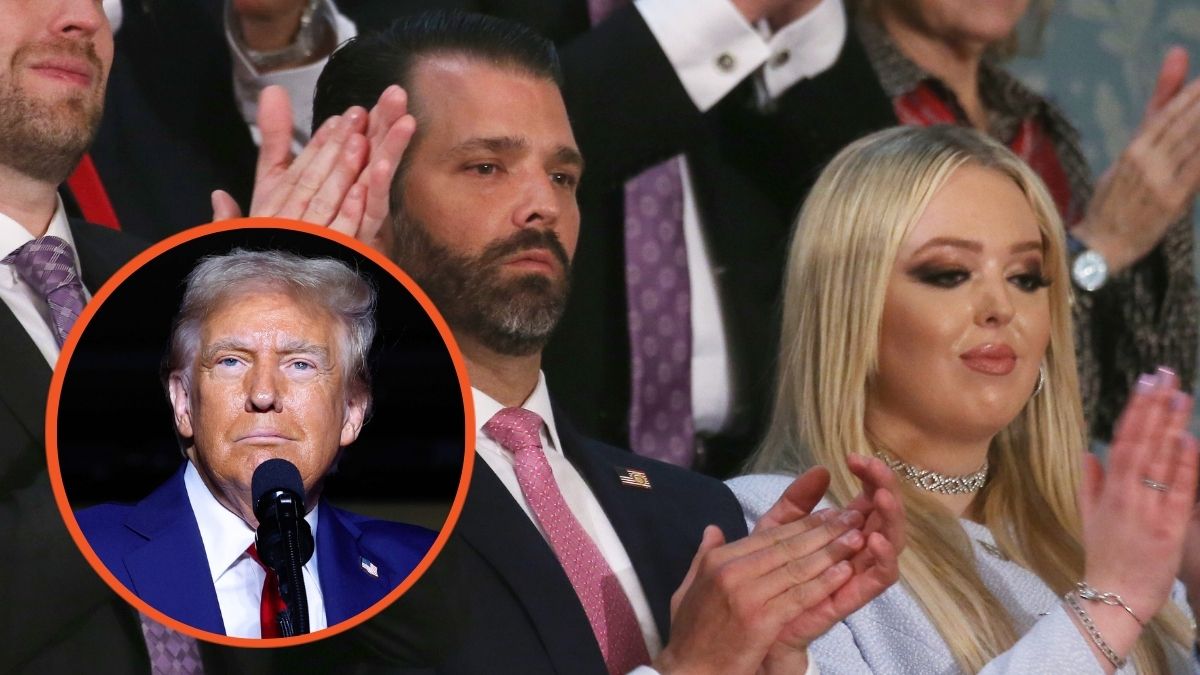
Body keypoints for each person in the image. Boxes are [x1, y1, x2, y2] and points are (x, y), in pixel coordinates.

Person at [311, 11, 906, 674]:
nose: (542, 202)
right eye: (486, 167)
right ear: (365, 196)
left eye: (563, 176)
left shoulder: (698, 515)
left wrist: (774, 658)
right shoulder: (308, 509)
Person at [730, 124, 1198, 673]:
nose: (1000, 306)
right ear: (850, 311)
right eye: (951, 273)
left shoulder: (1096, 532)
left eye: (1026, 277)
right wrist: (1108, 605)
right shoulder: (776, 527)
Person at [722, 0, 1200, 444]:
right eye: (948, 272)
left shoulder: (1033, 119)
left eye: (1025, 277)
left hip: (1037, 516)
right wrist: (1097, 252)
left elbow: (1130, 409)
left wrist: (1156, 214)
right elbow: (947, 407)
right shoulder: (824, 111)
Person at [75, 249, 436, 639]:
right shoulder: (80, 554)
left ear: (351, 412)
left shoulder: (424, 570)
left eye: (300, 364)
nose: (263, 394)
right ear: (183, 402)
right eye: (232, 361)